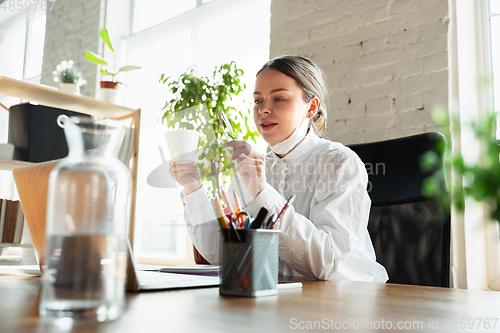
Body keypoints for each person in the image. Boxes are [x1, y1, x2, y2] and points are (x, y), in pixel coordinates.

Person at [169, 55, 388, 282]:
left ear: (311, 107)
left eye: (279, 99)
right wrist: (192, 187)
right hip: (279, 298)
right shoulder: (250, 170)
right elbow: (220, 255)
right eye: (257, 100)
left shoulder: (340, 163)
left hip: (346, 301)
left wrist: (261, 194)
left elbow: (327, 263)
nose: (264, 109)